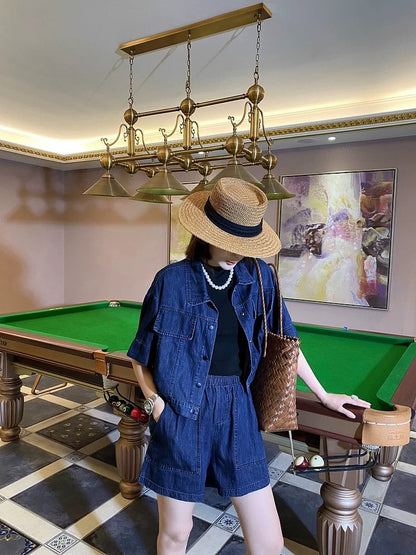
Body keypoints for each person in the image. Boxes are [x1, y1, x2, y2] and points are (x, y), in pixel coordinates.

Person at [127, 177, 370, 555]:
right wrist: (155, 403)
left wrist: (324, 395)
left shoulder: (260, 278)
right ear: (206, 233)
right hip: (181, 411)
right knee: (176, 532)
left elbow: (285, 344)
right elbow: (140, 355)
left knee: (269, 541)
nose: (237, 253)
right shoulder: (170, 281)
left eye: (245, 244)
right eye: (230, 242)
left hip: (238, 409)